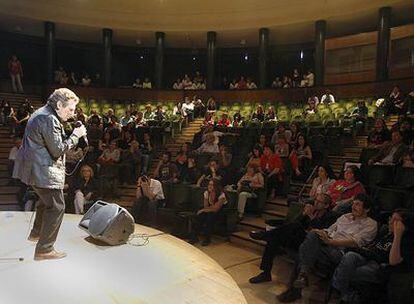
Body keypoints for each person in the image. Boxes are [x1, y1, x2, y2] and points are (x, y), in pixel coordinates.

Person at [13, 88, 87, 260]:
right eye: (70, 109)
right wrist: (76, 136)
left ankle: (36, 233)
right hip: (41, 170)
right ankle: (45, 249)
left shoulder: (43, 113)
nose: (72, 113)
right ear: (59, 104)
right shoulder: (48, 118)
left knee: (45, 201)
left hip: (35, 168)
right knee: (57, 206)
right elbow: (57, 150)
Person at [278, 194, 377, 303]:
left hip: (342, 252)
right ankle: (303, 275)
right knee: (310, 239)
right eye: (353, 204)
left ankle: (296, 288)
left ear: (367, 209)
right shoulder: (345, 217)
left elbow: (356, 243)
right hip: (328, 245)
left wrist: (331, 241)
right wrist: (321, 233)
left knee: (304, 250)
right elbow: (330, 230)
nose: (353, 207)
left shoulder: (371, 224)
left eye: (357, 205)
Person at [249, 193, 337, 285]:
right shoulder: (312, 210)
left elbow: (321, 233)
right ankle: (265, 273)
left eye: (319, 202)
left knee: (287, 230)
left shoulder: (330, 216)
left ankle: (265, 235)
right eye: (316, 200)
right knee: (274, 239)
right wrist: (303, 214)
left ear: (326, 205)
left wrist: (310, 216)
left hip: (311, 244)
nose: (316, 203)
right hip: (297, 238)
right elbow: (293, 223)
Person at [331, 209, 414, 304]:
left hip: (380, 266)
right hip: (369, 258)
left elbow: (393, 261)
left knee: (351, 271)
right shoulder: (386, 234)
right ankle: (342, 292)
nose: (390, 222)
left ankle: (344, 295)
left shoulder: (406, 241)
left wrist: (398, 235)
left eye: (396, 221)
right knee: (350, 256)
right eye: (391, 218)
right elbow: (373, 249)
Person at [189, 179, 227, 246]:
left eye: (212, 185)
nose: (210, 186)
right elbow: (206, 206)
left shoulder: (222, 195)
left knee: (210, 217)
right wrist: (203, 210)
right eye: (209, 184)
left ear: (216, 186)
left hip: (220, 212)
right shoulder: (206, 193)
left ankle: (207, 239)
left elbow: (216, 209)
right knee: (199, 216)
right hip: (209, 210)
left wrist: (204, 210)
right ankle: (194, 237)